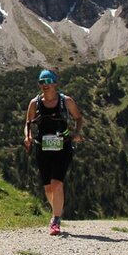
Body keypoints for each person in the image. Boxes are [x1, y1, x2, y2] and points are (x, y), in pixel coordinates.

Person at [23, 68, 84, 235]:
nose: (45, 85)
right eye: (42, 82)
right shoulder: (34, 103)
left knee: (57, 184)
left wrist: (76, 133)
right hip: (42, 147)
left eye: (49, 81)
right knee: (48, 188)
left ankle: (56, 220)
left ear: (55, 83)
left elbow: (78, 118)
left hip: (63, 146)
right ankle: (56, 211)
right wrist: (27, 136)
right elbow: (28, 123)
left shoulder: (66, 101)